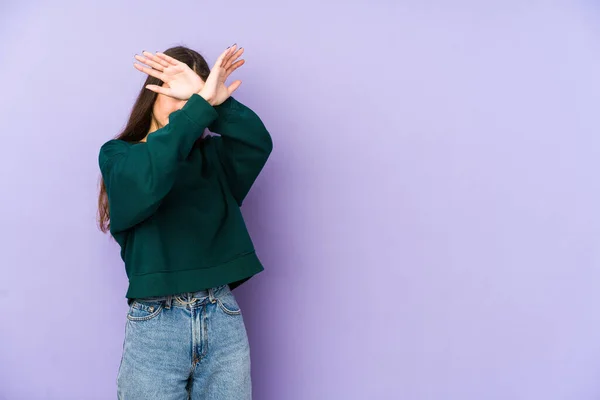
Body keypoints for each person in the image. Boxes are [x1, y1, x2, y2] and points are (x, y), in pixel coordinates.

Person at [97, 44, 272, 399]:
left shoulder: (213, 159)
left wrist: (219, 105)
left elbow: (257, 143)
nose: (182, 107)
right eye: (174, 95)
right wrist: (197, 108)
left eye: (192, 97)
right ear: (152, 92)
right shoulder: (118, 156)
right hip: (156, 323)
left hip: (221, 315)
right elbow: (149, 179)